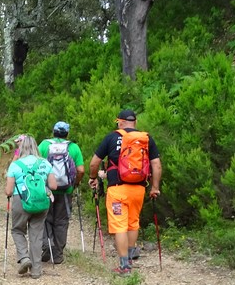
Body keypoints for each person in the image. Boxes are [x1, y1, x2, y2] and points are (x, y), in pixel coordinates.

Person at [88, 109, 162, 275]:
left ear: (120, 122)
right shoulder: (146, 138)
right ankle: (129, 258)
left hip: (117, 189)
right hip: (139, 189)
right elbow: (156, 164)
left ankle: (124, 266)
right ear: (135, 122)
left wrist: (93, 177)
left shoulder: (112, 137)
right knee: (132, 223)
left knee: (120, 226)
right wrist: (155, 187)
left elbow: (94, 163)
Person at [5, 134, 58, 279]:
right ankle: (36, 270)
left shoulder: (15, 165)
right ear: (35, 146)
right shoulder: (45, 163)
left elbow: (9, 191)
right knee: (36, 235)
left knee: (17, 230)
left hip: (21, 201)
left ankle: (24, 257)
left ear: (20, 147)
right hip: (41, 203)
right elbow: (53, 185)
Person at [38, 121, 85, 264]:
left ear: (53, 132)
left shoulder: (44, 145)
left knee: (45, 218)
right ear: (67, 133)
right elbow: (81, 170)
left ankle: (47, 245)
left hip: (46, 190)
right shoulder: (73, 147)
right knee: (61, 221)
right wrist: (75, 182)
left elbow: (36, 165)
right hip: (66, 191)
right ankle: (58, 254)